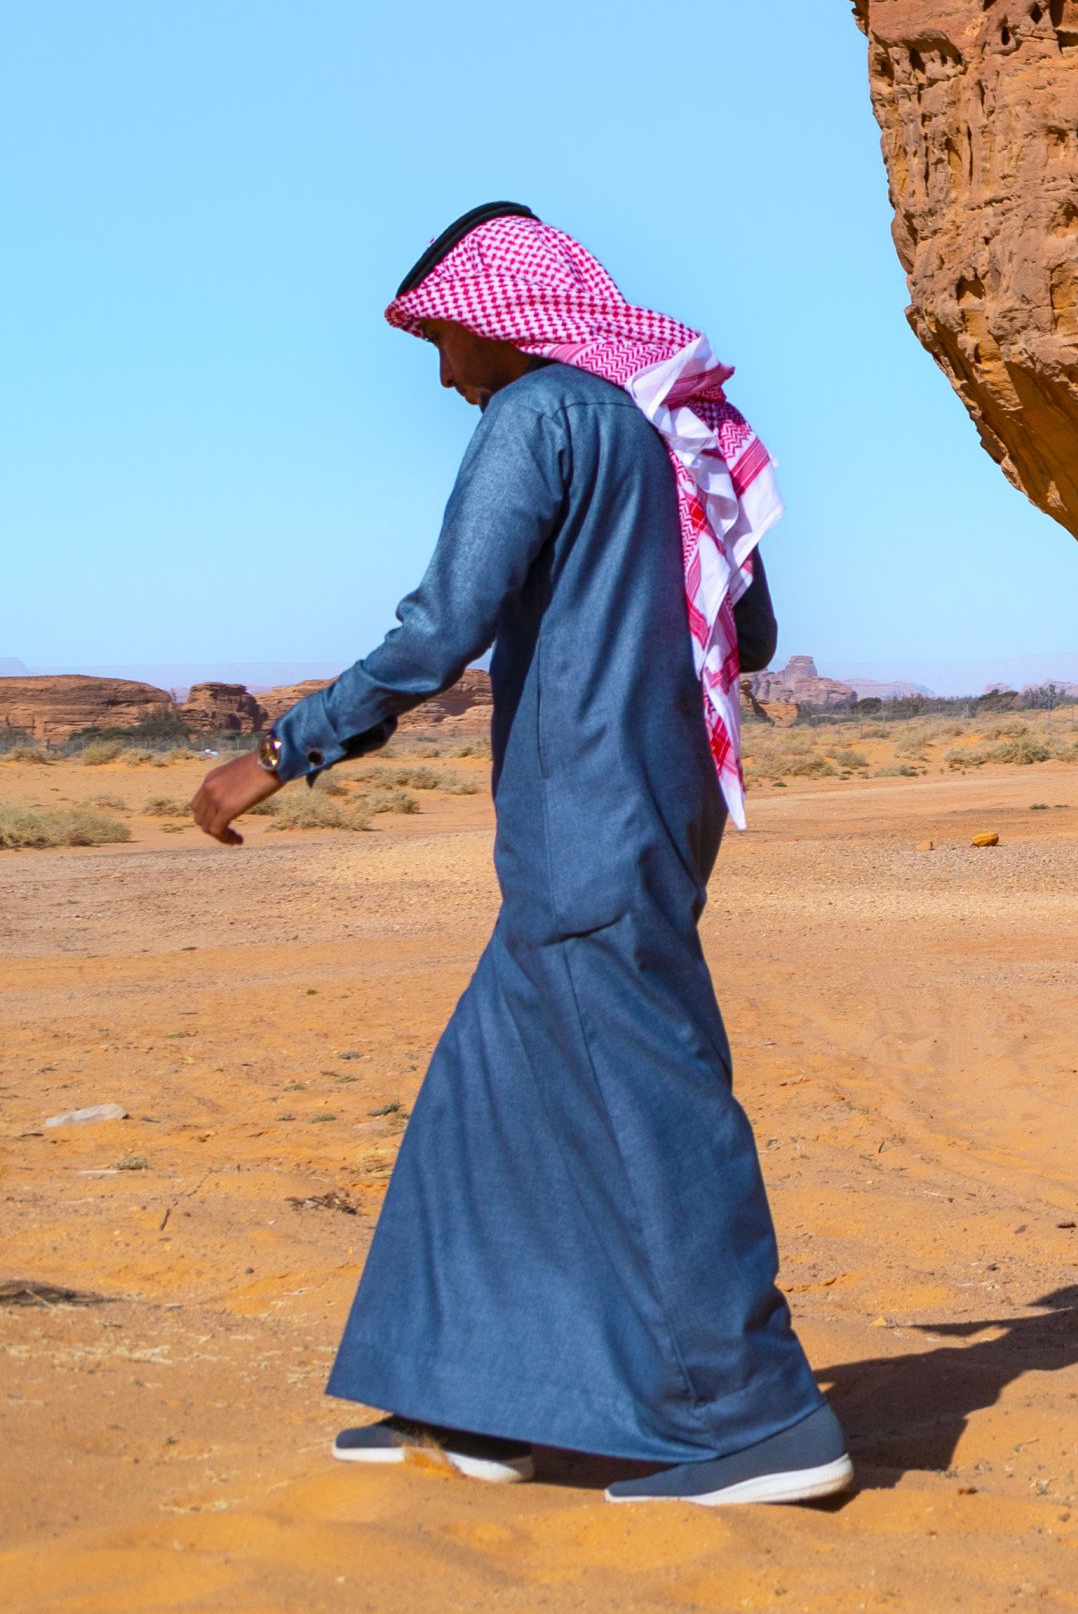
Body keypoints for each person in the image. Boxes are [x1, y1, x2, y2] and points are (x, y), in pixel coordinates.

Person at [192, 204, 849, 1507]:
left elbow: (440, 631)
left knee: (654, 1104)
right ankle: (478, 1400)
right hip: (658, 803)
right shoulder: (674, 426)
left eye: (444, 344)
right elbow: (754, 632)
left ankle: (761, 1418)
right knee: (487, 1096)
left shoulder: (539, 417)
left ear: (501, 321)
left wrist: (279, 753)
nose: (443, 375)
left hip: (583, 816)